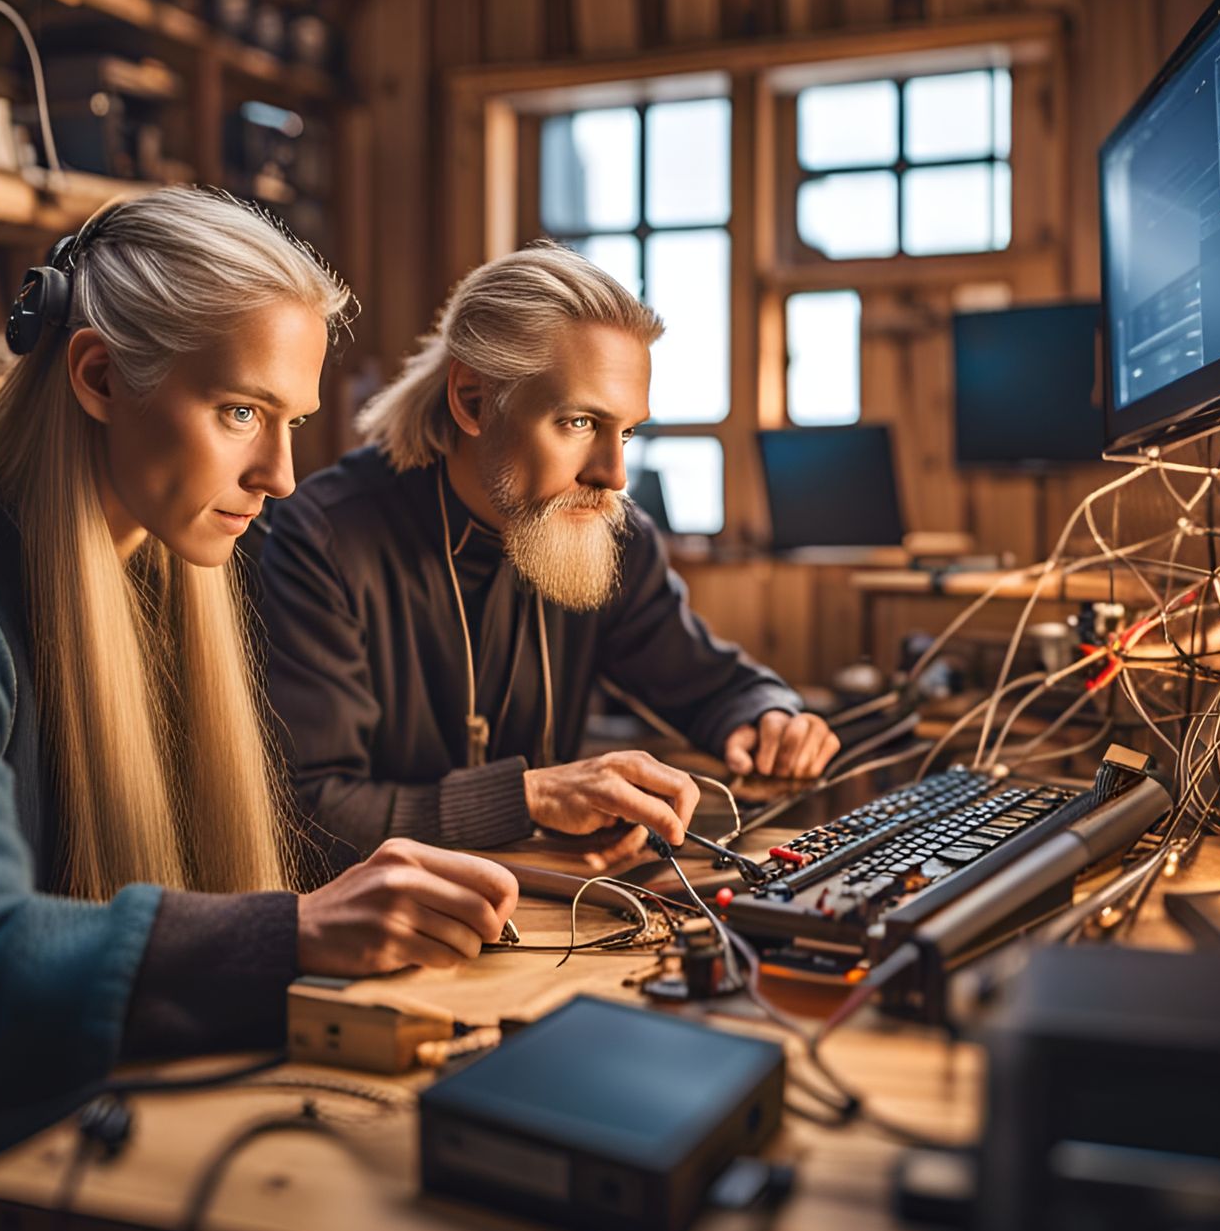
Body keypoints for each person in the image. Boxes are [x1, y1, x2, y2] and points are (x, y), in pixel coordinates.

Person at [0, 189, 517, 1231]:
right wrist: (292, 935)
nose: (280, 475)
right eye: (241, 411)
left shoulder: (159, 573)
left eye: (291, 421)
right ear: (96, 376)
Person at [258, 242, 840, 872]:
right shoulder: (322, 538)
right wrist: (529, 797)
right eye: (579, 423)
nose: (614, 475)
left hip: (557, 908)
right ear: (473, 401)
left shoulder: (614, 532)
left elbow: (709, 685)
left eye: (628, 432)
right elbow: (308, 814)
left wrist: (770, 718)